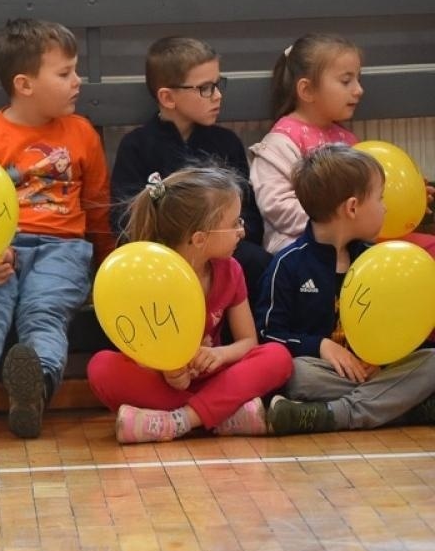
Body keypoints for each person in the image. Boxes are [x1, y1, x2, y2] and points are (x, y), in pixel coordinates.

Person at [0, 19, 113, 440]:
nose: (77, 81)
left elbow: (97, 205)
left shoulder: (82, 134)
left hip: (62, 248)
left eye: (75, 70)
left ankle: (36, 388)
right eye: (65, 73)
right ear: (25, 84)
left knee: (44, 311)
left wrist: (106, 263)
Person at [87, 167, 292, 443]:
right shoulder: (148, 276)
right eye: (234, 223)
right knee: (101, 368)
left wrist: (220, 355)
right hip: (166, 384)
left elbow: (248, 343)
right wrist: (168, 370)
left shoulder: (231, 269)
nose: (241, 232)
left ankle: (179, 421)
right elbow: (136, 347)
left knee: (277, 356)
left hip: (215, 377)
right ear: (199, 239)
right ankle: (220, 415)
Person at [255, 145, 435, 434]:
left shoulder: (374, 259)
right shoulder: (287, 265)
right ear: (352, 207)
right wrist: (320, 346)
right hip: (325, 373)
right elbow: (268, 335)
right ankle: (400, 406)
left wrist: (383, 361)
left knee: (432, 362)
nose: (386, 207)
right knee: (298, 376)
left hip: (373, 372)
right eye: (380, 198)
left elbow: (396, 328)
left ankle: (336, 414)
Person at [252, 34, 435, 259]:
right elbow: (277, 207)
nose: (359, 90)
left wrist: (409, 198)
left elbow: (367, 193)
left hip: (358, 240)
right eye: (346, 81)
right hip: (306, 248)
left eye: (358, 79)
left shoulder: (347, 140)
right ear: (307, 90)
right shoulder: (281, 143)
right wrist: (339, 225)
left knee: (429, 248)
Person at [110, 36, 267, 288]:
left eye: (218, 85)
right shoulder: (136, 146)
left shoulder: (226, 143)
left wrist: (224, 242)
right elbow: (125, 220)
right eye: (205, 88)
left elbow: (249, 213)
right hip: (162, 259)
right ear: (168, 98)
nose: (217, 96)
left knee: (259, 262)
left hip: (225, 254)